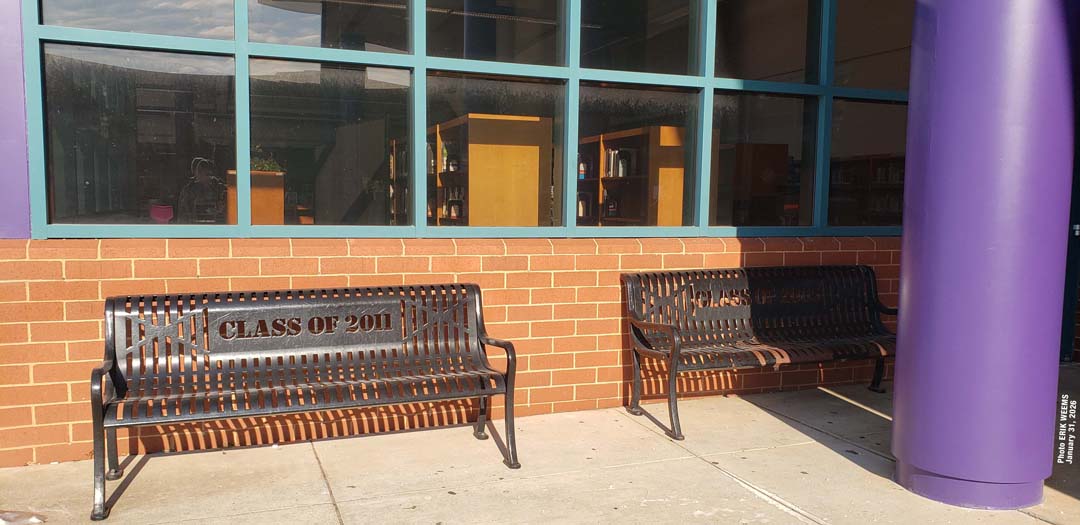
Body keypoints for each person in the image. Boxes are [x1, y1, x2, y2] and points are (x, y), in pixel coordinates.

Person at [177, 157, 227, 223]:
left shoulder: (219, 187)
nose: (207, 177)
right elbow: (183, 214)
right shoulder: (188, 190)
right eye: (200, 171)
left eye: (208, 174)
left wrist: (222, 207)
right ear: (196, 173)